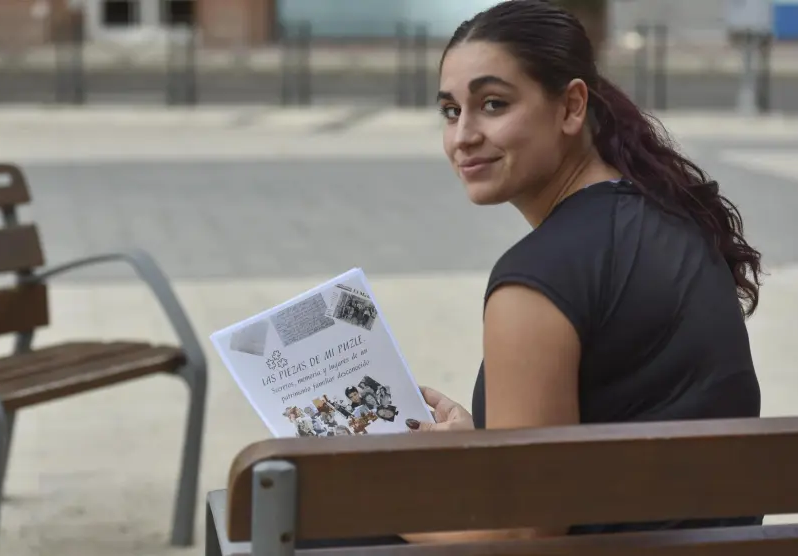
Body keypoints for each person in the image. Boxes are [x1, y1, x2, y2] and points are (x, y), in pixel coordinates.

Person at [297, 0, 763, 549]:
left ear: (570, 106)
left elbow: (521, 533)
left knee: (296, 521)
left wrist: (361, 493)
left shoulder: (536, 282)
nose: (462, 136)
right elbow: (632, 423)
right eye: (450, 111)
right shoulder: (670, 215)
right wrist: (486, 440)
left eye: (493, 104)